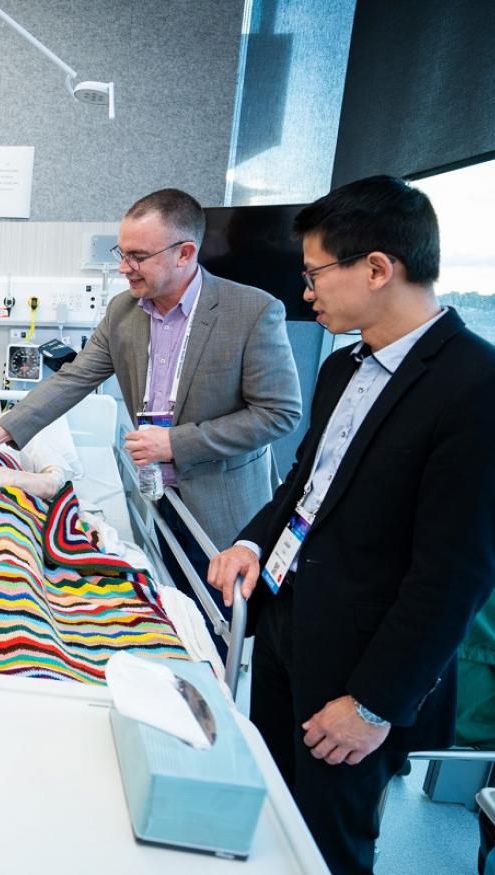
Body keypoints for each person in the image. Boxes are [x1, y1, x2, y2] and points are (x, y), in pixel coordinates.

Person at [208, 175, 495, 873]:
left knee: (330, 839)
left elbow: (454, 573)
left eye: (315, 274)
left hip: (359, 664)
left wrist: (373, 704)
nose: (306, 292)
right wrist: (252, 540)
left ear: (375, 268)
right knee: (273, 813)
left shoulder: (475, 384)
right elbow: (307, 484)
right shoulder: (344, 366)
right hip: (287, 622)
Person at [0, 189, 302, 630]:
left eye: (137, 256)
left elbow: (279, 413)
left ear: (185, 253)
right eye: (122, 252)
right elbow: (72, 379)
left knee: (222, 628)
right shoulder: (124, 312)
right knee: (177, 612)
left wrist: (176, 442)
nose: (122, 267)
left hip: (222, 503)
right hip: (160, 494)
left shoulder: (250, 311)